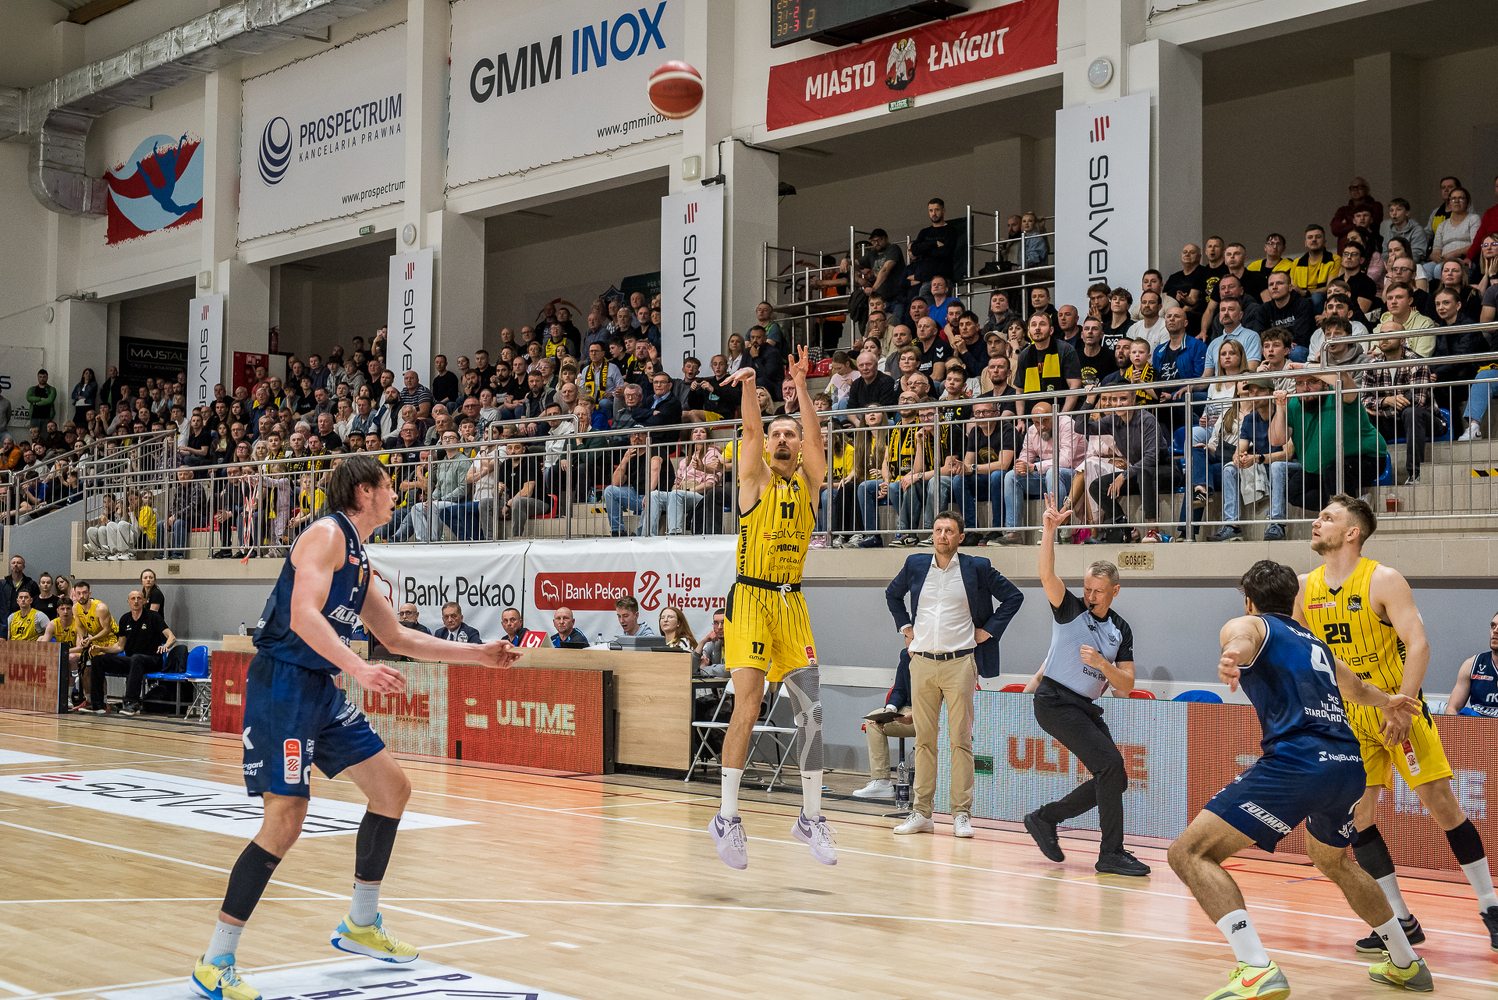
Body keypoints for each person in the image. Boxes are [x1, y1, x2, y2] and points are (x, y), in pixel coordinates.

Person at [191, 455, 520, 1000]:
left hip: (319, 688)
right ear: (364, 491)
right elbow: (303, 616)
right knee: (285, 821)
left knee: (392, 789)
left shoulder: (360, 557)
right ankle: (216, 959)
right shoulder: (325, 536)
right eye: (388, 485)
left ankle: (361, 924)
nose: (396, 494)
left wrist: (479, 653)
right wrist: (359, 668)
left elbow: (398, 637)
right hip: (283, 685)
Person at [1168, 560, 1431, 999]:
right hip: (1347, 765)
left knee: (1188, 853)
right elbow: (1356, 689)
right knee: (1333, 860)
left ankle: (1256, 968)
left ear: (1249, 601)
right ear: (1294, 601)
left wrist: (1232, 655)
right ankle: (1406, 963)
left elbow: (1241, 637)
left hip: (1297, 763)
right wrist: (1390, 701)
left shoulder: (1249, 623)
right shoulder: (1317, 644)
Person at [1294, 495, 1498, 954]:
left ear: (1352, 532)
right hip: (1349, 717)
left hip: (1396, 707)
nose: (1316, 522)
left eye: (1328, 517)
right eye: (1319, 515)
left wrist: (1402, 708)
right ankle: (1401, 919)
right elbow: (1298, 651)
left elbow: (1419, 643)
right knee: (1358, 818)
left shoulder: (1383, 579)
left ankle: (1490, 905)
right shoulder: (1305, 588)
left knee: (1441, 803)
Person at [707, 347, 834, 870]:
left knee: (811, 711)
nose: (782, 439)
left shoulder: (808, 484)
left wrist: (802, 387)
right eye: (777, 433)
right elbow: (752, 432)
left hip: (791, 601)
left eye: (790, 434)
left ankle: (811, 817)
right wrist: (749, 385)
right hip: (751, 598)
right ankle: (727, 817)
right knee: (750, 702)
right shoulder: (755, 479)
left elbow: (818, 442)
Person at [1022, 494, 1149, 877]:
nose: (1090, 596)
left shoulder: (1120, 629)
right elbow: (1047, 575)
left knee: (1116, 777)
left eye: (1098, 591)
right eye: (1088, 589)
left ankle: (1046, 818)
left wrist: (1102, 665)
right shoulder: (1070, 609)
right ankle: (1111, 853)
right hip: (1055, 701)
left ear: (1115, 591)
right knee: (1109, 766)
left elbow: (1126, 685)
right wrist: (1048, 531)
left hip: (1085, 707)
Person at [884, 509, 1022, 837]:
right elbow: (892, 594)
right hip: (922, 663)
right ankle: (922, 813)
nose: (942, 535)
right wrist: (905, 626)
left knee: (960, 740)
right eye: (938, 530)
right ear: (932, 534)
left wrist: (988, 630)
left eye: (949, 531)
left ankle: (961, 813)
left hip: (960, 663)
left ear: (960, 537)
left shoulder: (977, 567)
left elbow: (1013, 597)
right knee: (924, 741)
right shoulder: (915, 564)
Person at [89, 589, 173, 717]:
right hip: (132, 661)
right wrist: (101, 649)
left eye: (139, 598)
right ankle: (97, 704)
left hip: (152, 660)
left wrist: (166, 645)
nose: (136, 601)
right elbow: (119, 646)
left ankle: (132, 703)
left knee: (137, 658)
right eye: (133, 598)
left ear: (144, 601)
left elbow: (172, 637)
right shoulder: (125, 619)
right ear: (128, 601)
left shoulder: (153, 617)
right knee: (98, 660)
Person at [853, 650, 915, 799]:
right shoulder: (906, 656)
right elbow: (899, 690)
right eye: (908, 639)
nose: (909, 644)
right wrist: (889, 711)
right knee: (873, 721)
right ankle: (881, 782)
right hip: (911, 709)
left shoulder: (939, 655)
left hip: (937, 713)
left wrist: (917, 713)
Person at [1446, 612, 1498, 718]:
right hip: (1476, 725)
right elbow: (1452, 708)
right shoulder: (1471, 664)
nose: (1495, 631)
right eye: (1493, 626)